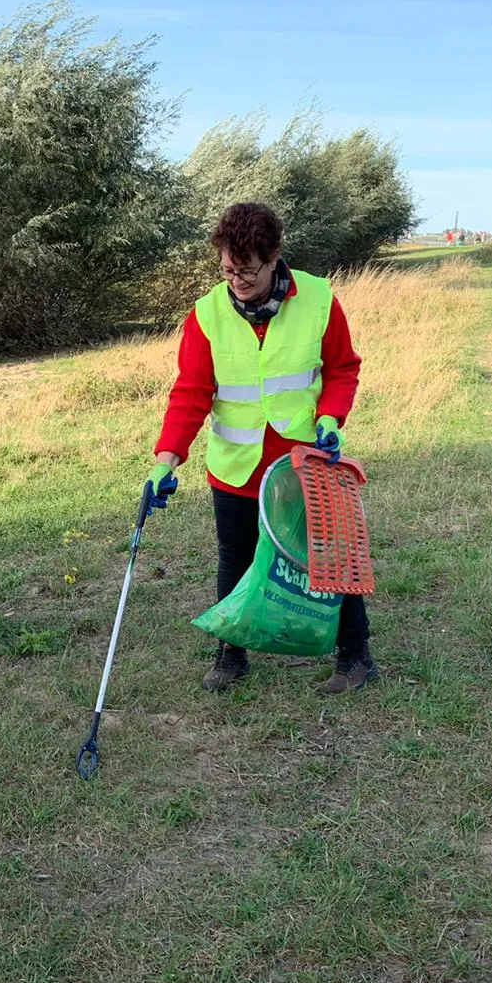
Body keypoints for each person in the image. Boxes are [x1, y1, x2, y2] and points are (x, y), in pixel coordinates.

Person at [150, 202, 377, 694]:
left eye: (247, 270)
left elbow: (342, 368)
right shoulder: (207, 313)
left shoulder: (317, 299)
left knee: (325, 556)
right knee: (235, 556)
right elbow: (190, 392)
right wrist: (167, 458)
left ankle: (355, 656)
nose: (237, 281)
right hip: (234, 465)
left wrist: (331, 419)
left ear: (274, 256)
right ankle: (232, 656)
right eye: (228, 270)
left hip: (304, 464)